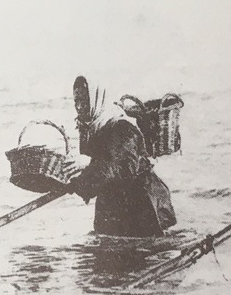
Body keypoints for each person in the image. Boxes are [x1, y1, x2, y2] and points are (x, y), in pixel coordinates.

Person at [67, 89, 176, 238]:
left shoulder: (122, 127)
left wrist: (90, 163)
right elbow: (97, 173)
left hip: (140, 203)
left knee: (143, 251)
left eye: (84, 100)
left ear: (96, 99)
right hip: (113, 205)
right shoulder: (93, 127)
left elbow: (124, 169)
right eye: (76, 101)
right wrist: (75, 182)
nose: (79, 107)